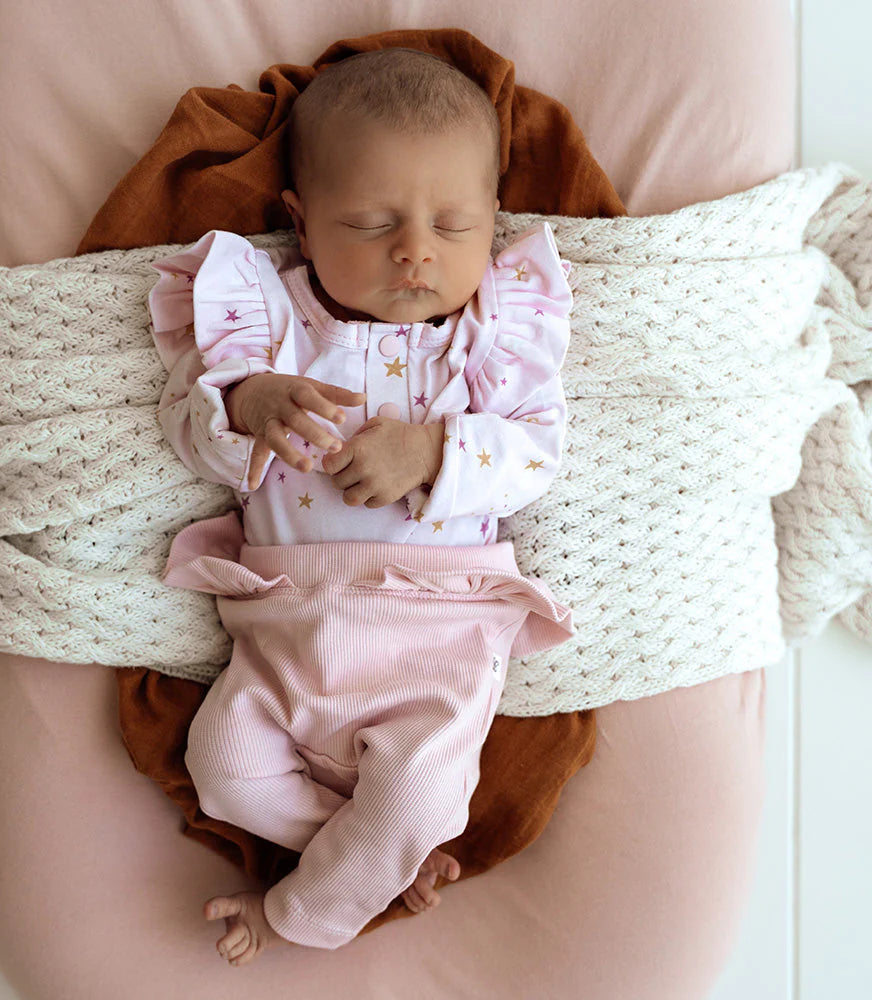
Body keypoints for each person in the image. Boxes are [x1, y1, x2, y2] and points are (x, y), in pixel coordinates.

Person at [146, 47, 575, 966]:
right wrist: (246, 404)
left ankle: (302, 910)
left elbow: (535, 456)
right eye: (372, 223)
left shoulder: (491, 340)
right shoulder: (270, 324)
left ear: (493, 219)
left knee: (419, 791)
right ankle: (377, 855)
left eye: (452, 224)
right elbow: (185, 431)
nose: (415, 250)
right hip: (285, 633)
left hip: (438, 637)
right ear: (302, 224)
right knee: (222, 769)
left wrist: (435, 451)